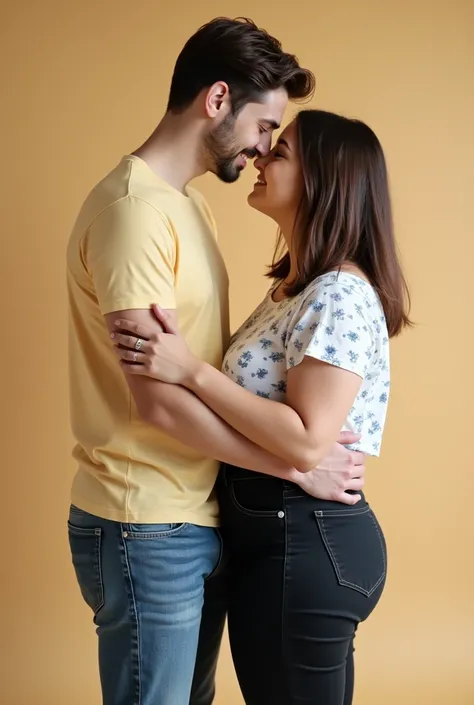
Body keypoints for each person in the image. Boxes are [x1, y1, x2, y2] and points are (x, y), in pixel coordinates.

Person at [66, 18, 367, 705]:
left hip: (189, 514)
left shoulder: (189, 208)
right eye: (265, 126)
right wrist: (297, 464)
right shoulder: (135, 214)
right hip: (145, 518)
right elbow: (158, 401)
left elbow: (194, 371)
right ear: (217, 99)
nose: (264, 149)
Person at [112, 109, 411, 705]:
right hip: (277, 535)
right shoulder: (296, 288)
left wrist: (191, 371)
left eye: (283, 152)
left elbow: (305, 441)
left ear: (325, 181)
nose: (260, 155)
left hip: (300, 539)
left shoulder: (339, 294)